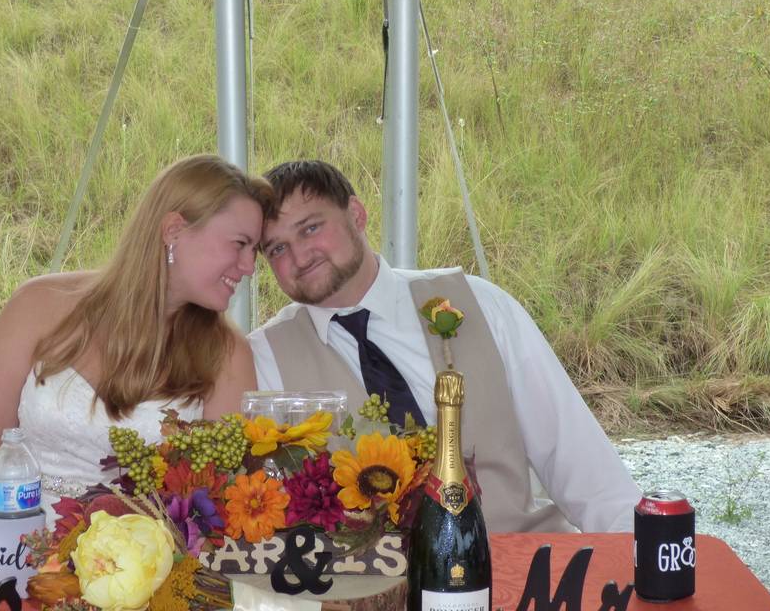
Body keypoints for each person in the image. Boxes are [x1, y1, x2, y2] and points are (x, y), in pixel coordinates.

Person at [248, 160, 642, 533]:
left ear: (357, 214)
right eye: (277, 249)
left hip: (521, 578)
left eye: (310, 228)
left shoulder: (480, 304)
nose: (299, 256)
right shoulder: (264, 358)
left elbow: (580, 463)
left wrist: (640, 566)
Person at [0, 154, 272, 536]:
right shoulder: (37, 305)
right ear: (174, 229)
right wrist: (14, 566)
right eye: (240, 244)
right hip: (7, 552)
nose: (250, 266)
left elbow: (219, 506)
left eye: (254, 250)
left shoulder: (227, 354)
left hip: (144, 578)